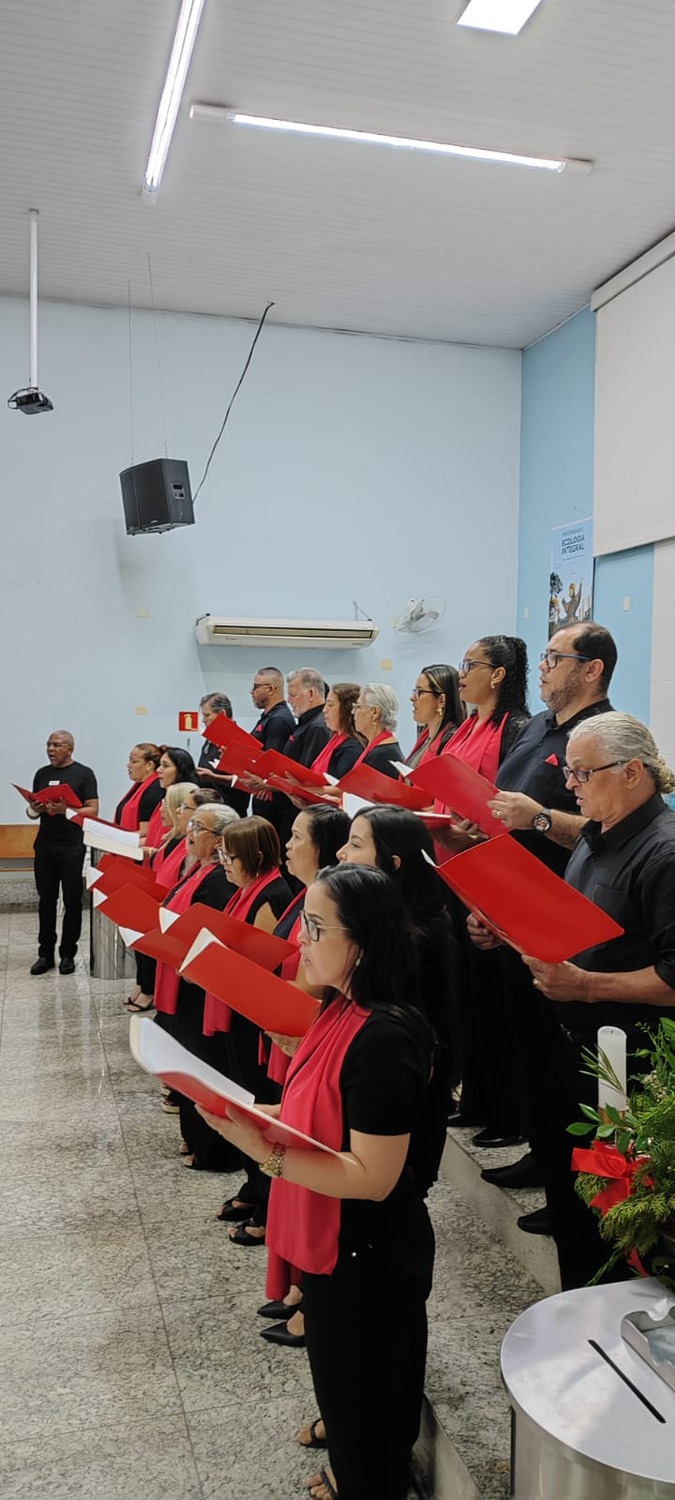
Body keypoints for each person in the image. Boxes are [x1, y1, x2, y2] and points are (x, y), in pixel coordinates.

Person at [199, 865, 435, 1500]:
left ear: (362, 942)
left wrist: (266, 1154)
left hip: (369, 1253)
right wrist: (249, 1113)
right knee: (350, 1392)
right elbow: (318, 1112)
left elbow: (373, 1176)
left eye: (315, 926)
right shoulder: (340, 1009)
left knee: (364, 1396)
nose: (299, 938)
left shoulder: (383, 1037)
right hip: (345, 1245)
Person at [476, 712, 675, 1289]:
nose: (570, 784)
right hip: (569, 1045)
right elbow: (570, 924)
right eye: (570, 771)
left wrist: (587, 986)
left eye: (583, 772)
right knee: (570, 1203)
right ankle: (576, 1306)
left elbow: (672, 977)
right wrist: (505, 926)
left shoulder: (664, 854)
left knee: (611, 1210)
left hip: (626, 1061)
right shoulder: (596, 834)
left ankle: (608, 1312)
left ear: (633, 772)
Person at [478, 623, 618, 1210]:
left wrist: (538, 818)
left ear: (591, 669)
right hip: (511, 905)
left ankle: (570, 1187)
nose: (542, 666)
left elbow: (608, 833)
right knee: (525, 1043)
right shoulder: (535, 727)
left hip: (565, 917)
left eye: (555, 658)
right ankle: (542, 1154)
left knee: (561, 1057)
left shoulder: (604, 738)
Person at [436, 637, 530, 1143]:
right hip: (453, 865)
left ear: (498, 675)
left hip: (492, 869)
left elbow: (512, 803)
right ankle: (474, 1097)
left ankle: (508, 1114)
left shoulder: (516, 728)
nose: (462, 673)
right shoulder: (466, 726)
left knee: (496, 999)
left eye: (470, 665)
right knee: (465, 995)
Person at [337, 805, 458, 1194]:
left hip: (401, 1096)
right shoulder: (385, 925)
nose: (341, 854)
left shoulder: (413, 940)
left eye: (356, 845)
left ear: (392, 864)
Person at [212, 816, 292, 1239]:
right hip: (237, 1009)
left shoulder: (272, 895)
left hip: (255, 1019)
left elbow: (263, 965)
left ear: (255, 857)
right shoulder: (245, 890)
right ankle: (252, 1183)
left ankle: (268, 1201)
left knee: (257, 1102)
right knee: (240, 1097)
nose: (223, 863)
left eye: (230, 856)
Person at [153, 802, 239, 1155]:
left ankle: (209, 1146)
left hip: (198, 986)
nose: (189, 833)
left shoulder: (217, 879)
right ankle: (194, 1136)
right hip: (181, 976)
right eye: (190, 826)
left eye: (198, 828)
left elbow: (210, 936)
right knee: (187, 1058)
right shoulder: (199, 868)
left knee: (202, 1062)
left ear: (220, 840)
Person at [26, 731, 98, 975]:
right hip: (45, 844)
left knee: (72, 900)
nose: (50, 749)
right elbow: (33, 811)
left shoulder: (84, 773)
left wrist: (65, 810)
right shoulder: (41, 774)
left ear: (70, 748)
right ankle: (45, 954)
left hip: (72, 845)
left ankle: (68, 954)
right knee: (46, 900)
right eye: (48, 744)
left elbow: (93, 810)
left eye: (57, 745)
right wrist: (34, 808)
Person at [249, 667, 296, 831]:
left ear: (270, 689)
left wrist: (267, 784)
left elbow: (273, 760)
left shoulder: (279, 720)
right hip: (261, 794)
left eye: (256, 687)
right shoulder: (268, 717)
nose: (251, 692)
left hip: (271, 800)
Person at [196, 691, 250, 817]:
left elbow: (246, 782)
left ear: (222, 714)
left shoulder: (239, 742)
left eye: (207, 715)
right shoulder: (211, 739)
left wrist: (213, 777)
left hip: (229, 812)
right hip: (208, 809)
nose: (203, 720)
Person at [142, 746, 199, 857]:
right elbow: (153, 837)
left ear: (180, 770)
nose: (158, 770)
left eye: (165, 766)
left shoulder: (185, 800)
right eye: (160, 765)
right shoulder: (163, 797)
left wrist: (149, 852)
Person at [406, 663, 465, 770]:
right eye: (415, 691)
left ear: (441, 700)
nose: (412, 698)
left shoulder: (452, 741)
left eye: (420, 692)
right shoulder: (426, 736)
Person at [311, 682, 363, 779]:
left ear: (346, 709)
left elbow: (340, 785)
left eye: (330, 705)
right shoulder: (335, 737)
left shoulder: (352, 749)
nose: (324, 710)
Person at [351, 684, 403, 777]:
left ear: (375, 712)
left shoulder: (382, 754)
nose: (353, 712)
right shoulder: (382, 749)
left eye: (358, 707)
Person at [114, 743, 162, 838]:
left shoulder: (154, 790)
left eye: (134, 761)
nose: (129, 765)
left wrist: (118, 837)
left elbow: (146, 831)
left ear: (149, 765)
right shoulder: (139, 786)